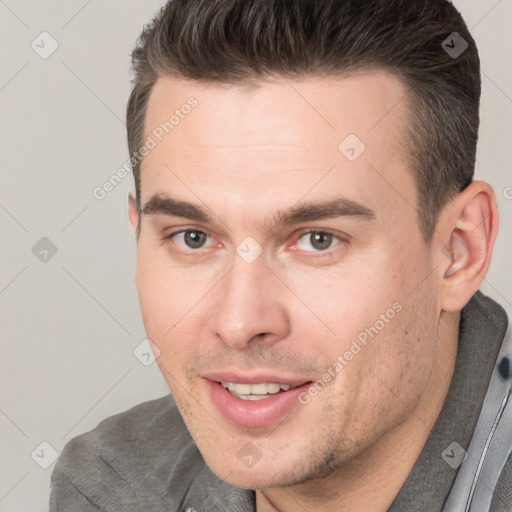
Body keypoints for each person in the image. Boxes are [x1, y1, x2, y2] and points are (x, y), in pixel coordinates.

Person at [49, 0, 512, 510]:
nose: (240, 322)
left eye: (318, 240)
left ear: (458, 250)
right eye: (193, 237)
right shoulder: (116, 488)